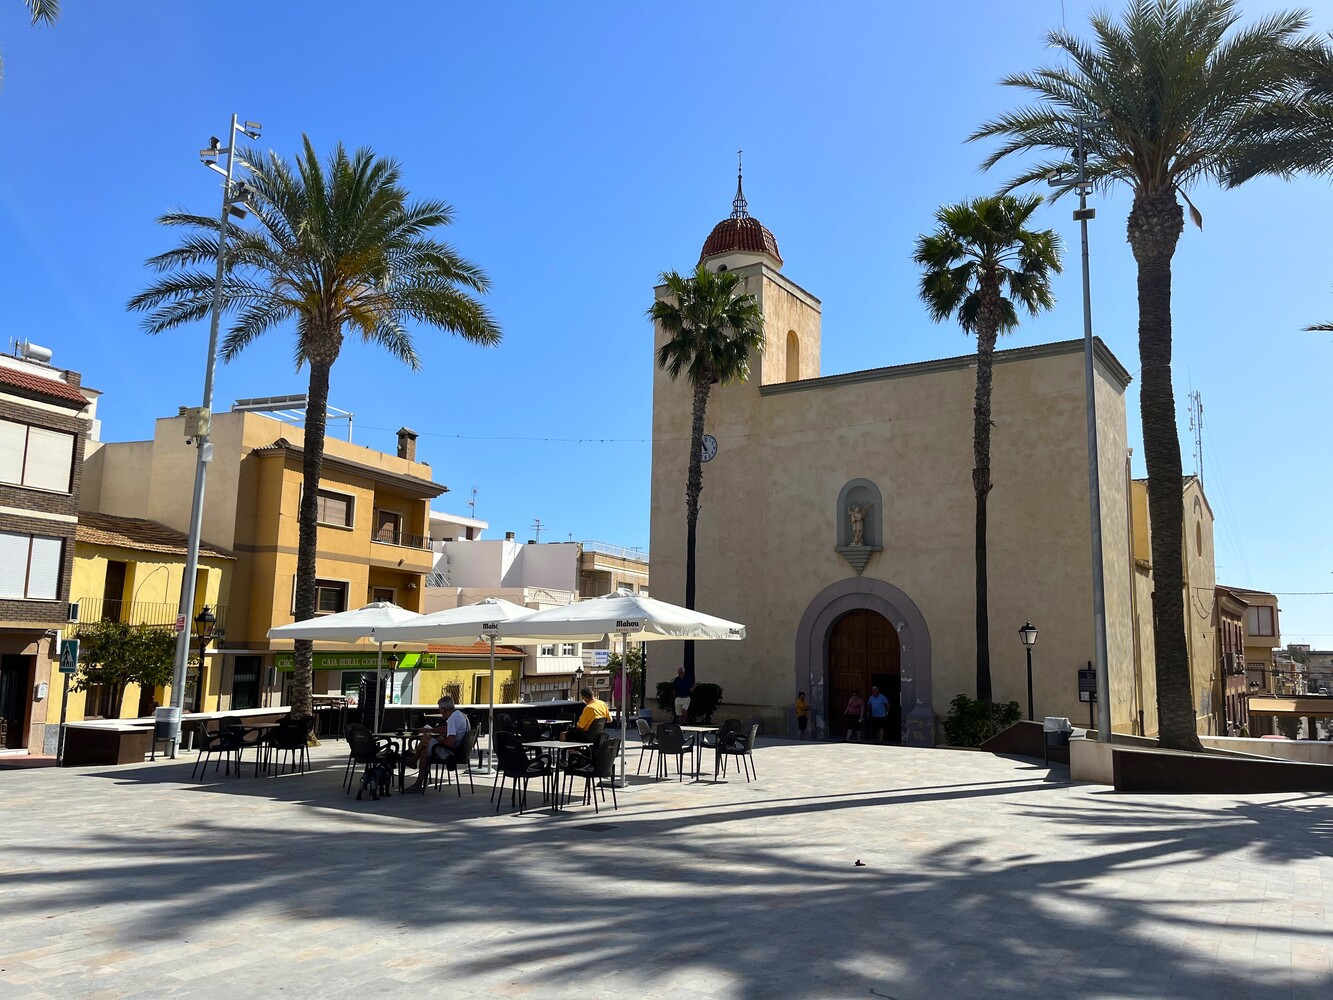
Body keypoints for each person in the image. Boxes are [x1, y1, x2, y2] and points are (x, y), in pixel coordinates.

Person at [409, 695, 470, 790]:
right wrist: (431, 730)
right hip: (460, 751)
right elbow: (447, 729)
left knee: (425, 738)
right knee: (424, 753)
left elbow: (449, 743)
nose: (440, 712)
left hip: (451, 753)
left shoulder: (452, 719)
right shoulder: (460, 715)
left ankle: (413, 760)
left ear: (444, 709)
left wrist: (441, 739)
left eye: (440, 709)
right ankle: (418, 784)